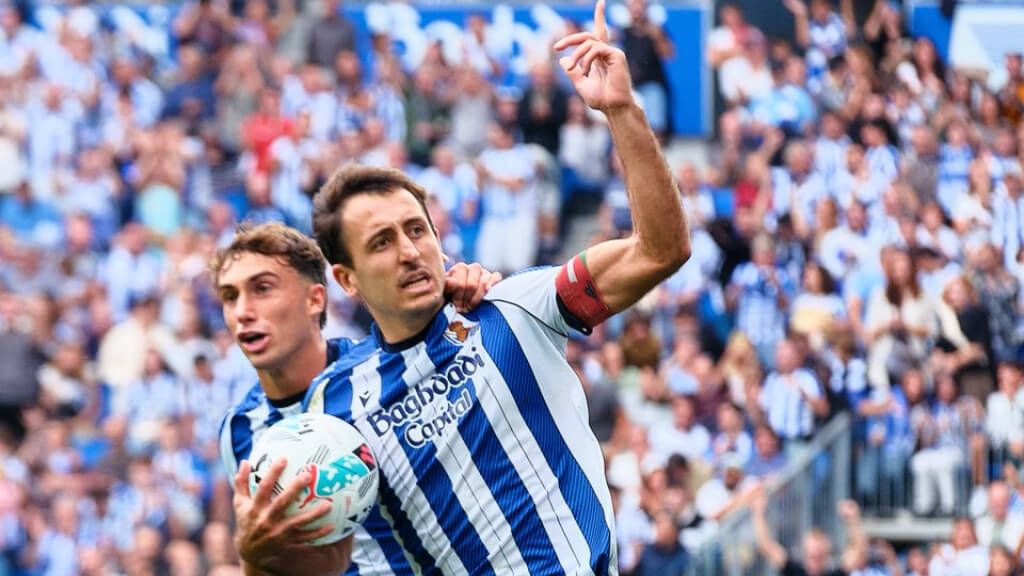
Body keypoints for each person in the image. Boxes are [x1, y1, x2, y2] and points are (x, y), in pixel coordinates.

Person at [242, 1, 689, 572]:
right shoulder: (333, 415)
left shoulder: (515, 305)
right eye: (381, 242)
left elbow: (661, 250)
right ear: (346, 279)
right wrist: (262, 562)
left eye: (416, 229)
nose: (408, 251)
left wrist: (622, 111)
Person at [210, 221, 500, 575]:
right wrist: (255, 558)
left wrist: (475, 294)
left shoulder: (390, 373)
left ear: (315, 299)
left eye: (262, 288)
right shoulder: (239, 432)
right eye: (230, 296)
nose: (242, 312)